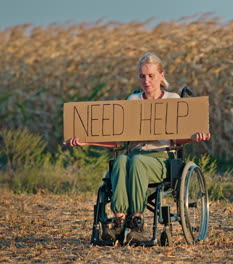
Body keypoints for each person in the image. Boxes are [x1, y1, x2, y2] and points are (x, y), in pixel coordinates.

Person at [64, 52, 211, 242]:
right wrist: (86, 141)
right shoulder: (132, 101)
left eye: (151, 76)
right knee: (121, 160)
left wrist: (193, 138)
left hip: (162, 159)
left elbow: (177, 140)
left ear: (161, 76)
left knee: (136, 161)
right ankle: (119, 221)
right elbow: (118, 140)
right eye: (142, 76)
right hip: (133, 157)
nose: (146, 81)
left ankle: (137, 220)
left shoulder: (173, 100)